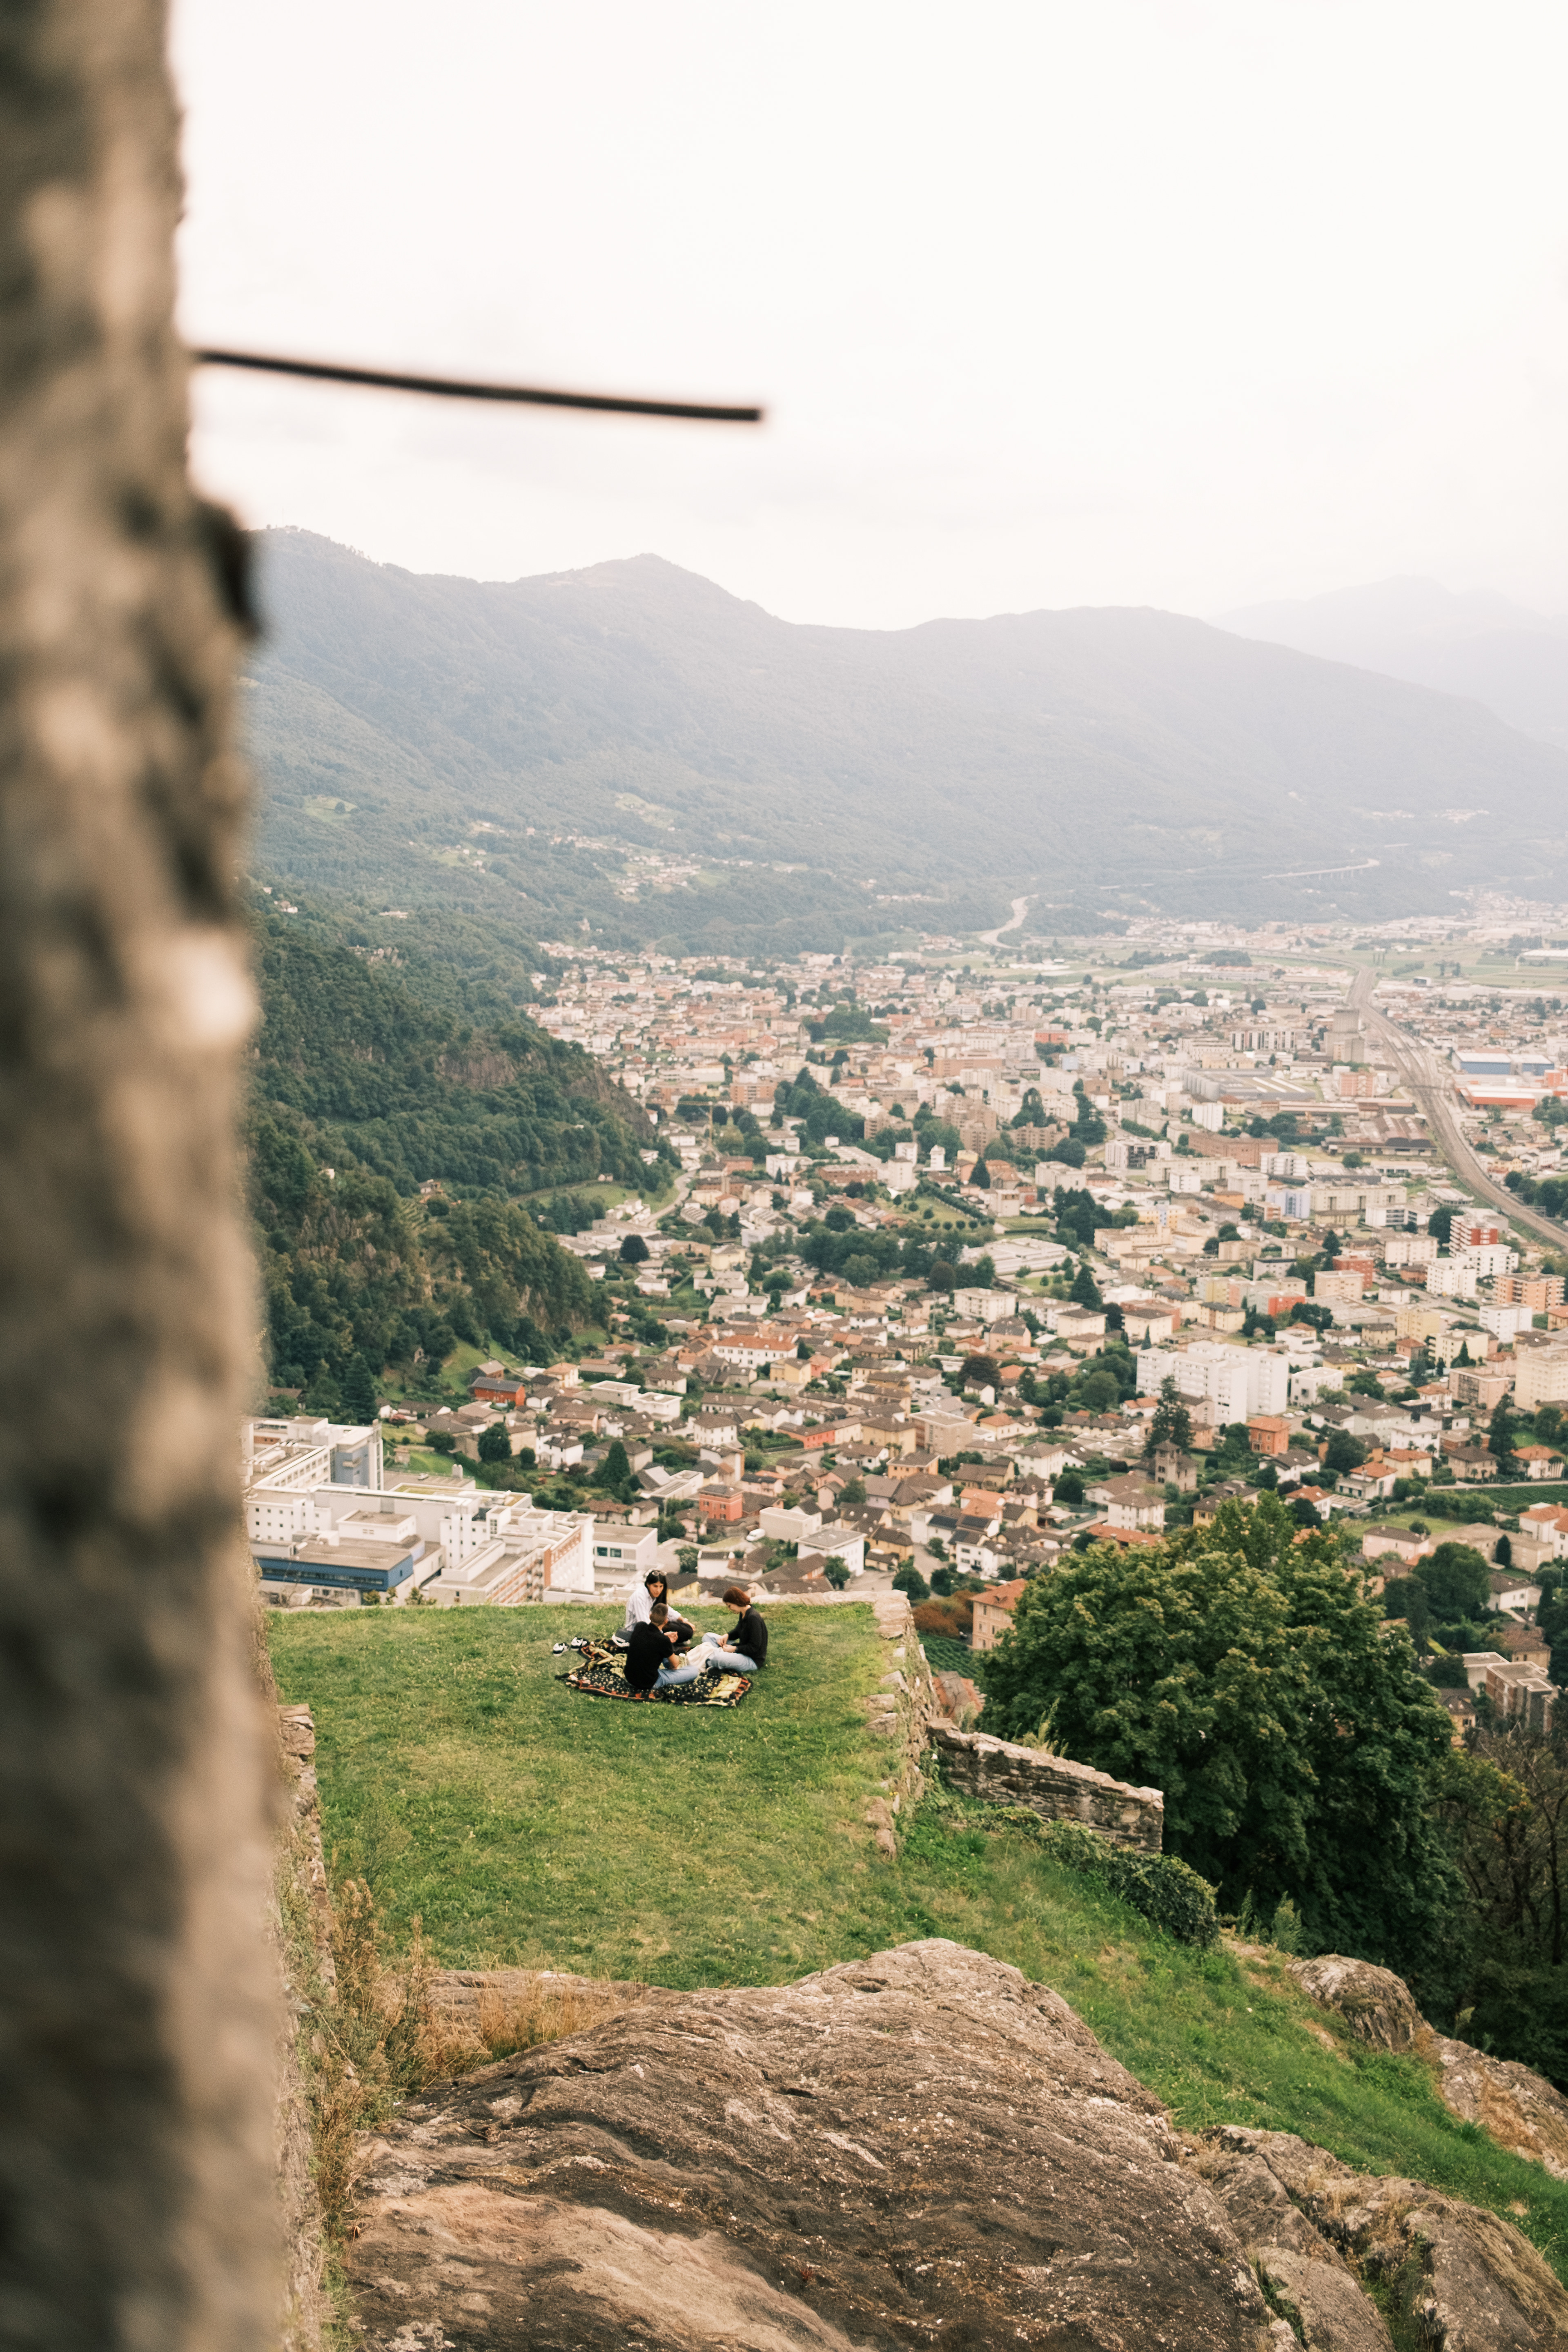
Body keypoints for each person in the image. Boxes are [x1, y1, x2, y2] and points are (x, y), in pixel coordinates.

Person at [623, 1603, 702, 1695]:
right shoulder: (663, 1641)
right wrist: (667, 1643)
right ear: (666, 1621)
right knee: (694, 1671)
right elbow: (675, 1665)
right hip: (650, 1683)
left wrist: (665, 1639)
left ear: (650, 1616)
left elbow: (651, 1637)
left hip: (630, 1677)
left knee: (660, 1652)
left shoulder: (640, 1626)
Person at [694, 1585, 767, 1675]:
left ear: (736, 1601)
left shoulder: (753, 1618)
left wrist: (735, 1649)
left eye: (730, 1606)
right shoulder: (744, 1613)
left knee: (718, 1658)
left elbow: (755, 1648)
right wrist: (727, 1635)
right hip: (741, 1650)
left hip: (752, 1660)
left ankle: (715, 1659)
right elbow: (739, 1630)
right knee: (708, 1637)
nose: (729, 1609)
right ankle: (716, 1657)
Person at [619, 1569, 668, 1642]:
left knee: (685, 1629)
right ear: (648, 1585)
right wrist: (661, 1636)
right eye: (655, 1586)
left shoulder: (655, 1596)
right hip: (637, 1631)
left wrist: (683, 1620)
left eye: (661, 1586)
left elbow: (667, 1610)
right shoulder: (640, 1596)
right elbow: (644, 1623)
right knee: (684, 1632)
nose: (658, 1590)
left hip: (654, 1627)